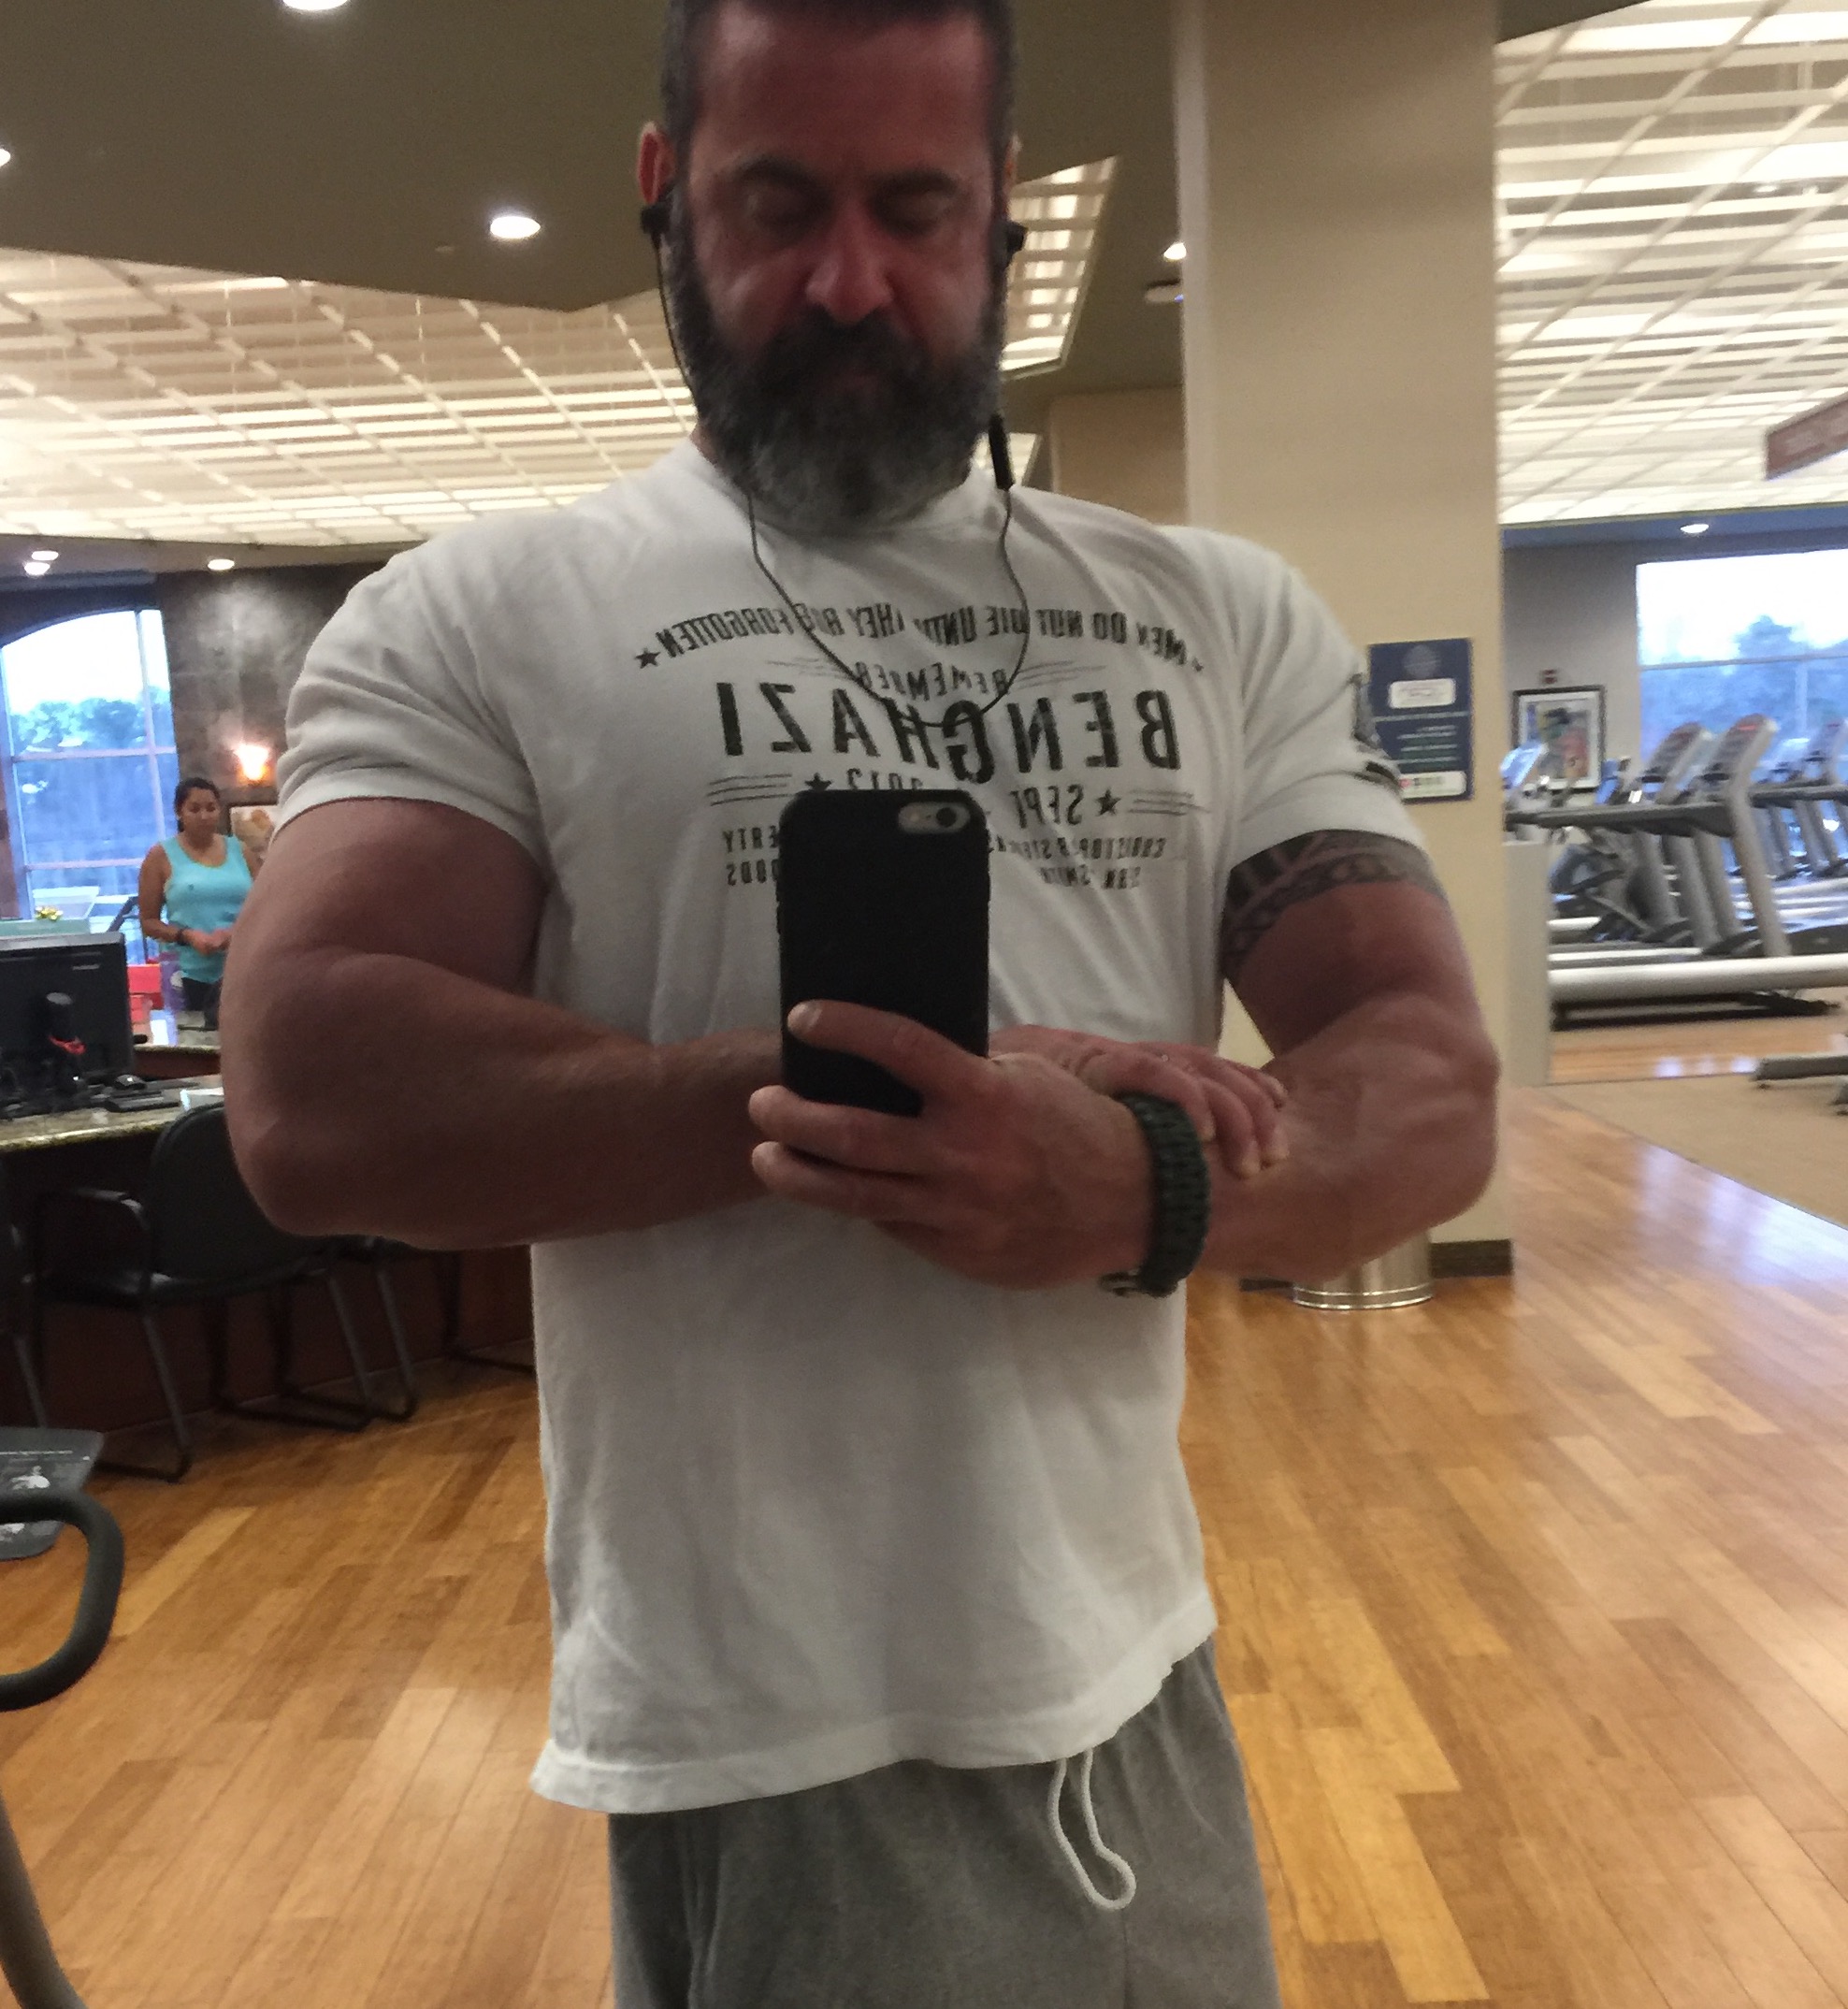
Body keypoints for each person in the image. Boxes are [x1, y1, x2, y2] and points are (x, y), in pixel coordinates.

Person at [221, 0, 1499, 2000]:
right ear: (664, 195)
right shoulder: (477, 616)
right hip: (780, 1708)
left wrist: (1133, 1184)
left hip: (1135, 1652)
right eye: (777, 204)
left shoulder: (1214, 617)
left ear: (1004, 215)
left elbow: (1426, 1079)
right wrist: (874, 1098)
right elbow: (313, 1092)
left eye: (913, 210)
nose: (845, 280)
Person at [137, 776, 255, 1031]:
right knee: (197, 1040)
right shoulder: (160, 856)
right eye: (194, 809)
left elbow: (265, 906)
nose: (204, 816)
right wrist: (187, 936)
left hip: (243, 969)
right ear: (179, 812)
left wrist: (234, 933)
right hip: (189, 974)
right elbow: (148, 923)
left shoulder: (241, 850)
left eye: (211, 808)